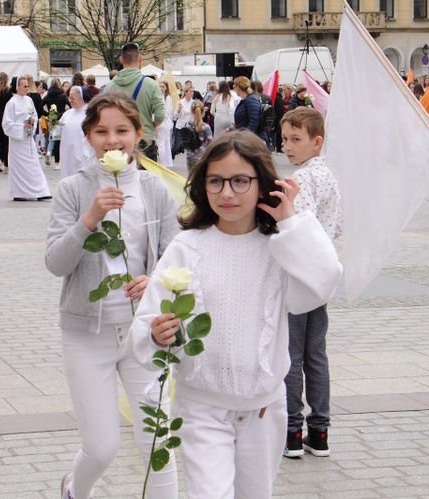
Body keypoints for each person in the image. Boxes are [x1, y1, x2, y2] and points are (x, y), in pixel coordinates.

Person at [126, 131, 342, 498]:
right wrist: (155, 333)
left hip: (263, 409)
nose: (227, 193)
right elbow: (146, 322)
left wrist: (291, 219)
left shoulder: (280, 247)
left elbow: (324, 281)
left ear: (263, 183)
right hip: (202, 405)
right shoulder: (188, 246)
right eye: (215, 181)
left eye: (240, 181)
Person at [46, 92, 180, 499]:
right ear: (88, 136)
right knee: (102, 448)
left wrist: (153, 280)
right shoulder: (73, 189)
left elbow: (177, 258)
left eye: (122, 130)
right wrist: (90, 218)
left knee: (157, 444)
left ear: (139, 134)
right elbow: (55, 263)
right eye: (101, 131)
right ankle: (75, 490)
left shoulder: (155, 190)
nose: (112, 139)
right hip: (88, 334)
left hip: (145, 333)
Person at [278, 107, 342, 460]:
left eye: (296, 139)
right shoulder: (328, 176)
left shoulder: (302, 180)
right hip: (321, 276)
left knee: (291, 354)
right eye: (285, 139)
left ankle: (291, 431)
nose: (288, 146)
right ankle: (320, 431)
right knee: (315, 353)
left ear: (316, 142)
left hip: (297, 277)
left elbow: (292, 225)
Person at [103, 42, 166, 161]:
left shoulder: (110, 87)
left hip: (118, 140)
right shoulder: (151, 85)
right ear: (140, 58)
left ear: (121, 60)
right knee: (145, 178)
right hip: (144, 138)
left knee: (121, 178)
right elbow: (160, 114)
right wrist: (153, 125)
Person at [2, 76, 52, 202]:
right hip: (18, 140)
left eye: (27, 86)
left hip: (28, 139)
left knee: (33, 164)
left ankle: (40, 190)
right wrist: (22, 126)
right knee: (19, 166)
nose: (27, 88)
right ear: (17, 87)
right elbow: (7, 124)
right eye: (24, 86)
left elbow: (34, 115)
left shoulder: (29, 100)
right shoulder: (11, 103)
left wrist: (32, 123)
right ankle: (19, 192)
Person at [58, 86, 92, 179]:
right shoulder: (68, 113)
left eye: (73, 98)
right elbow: (58, 129)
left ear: (82, 98)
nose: (70, 100)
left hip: (82, 152)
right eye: (69, 97)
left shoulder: (90, 114)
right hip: (67, 152)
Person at [43, 78, 71, 169]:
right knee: (58, 141)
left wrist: (47, 114)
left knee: (52, 138)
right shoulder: (63, 95)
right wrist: (64, 113)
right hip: (60, 119)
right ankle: (57, 162)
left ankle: (49, 152)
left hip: (51, 119)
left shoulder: (47, 96)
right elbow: (70, 105)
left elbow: (40, 105)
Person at [185, 100, 213, 172]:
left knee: (191, 178)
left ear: (191, 111)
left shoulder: (187, 124)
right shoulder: (205, 127)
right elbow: (210, 142)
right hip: (201, 157)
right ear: (203, 111)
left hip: (190, 156)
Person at [172, 86, 195, 158]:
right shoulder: (180, 102)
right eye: (190, 91)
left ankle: (190, 159)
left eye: (192, 91)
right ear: (185, 92)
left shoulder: (193, 102)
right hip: (180, 126)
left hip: (190, 127)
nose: (192, 93)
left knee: (190, 145)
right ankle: (171, 157)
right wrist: (179, 110)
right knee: (177, 145)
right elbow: (174, 116)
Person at [156, 80, 174, 168]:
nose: (161, 88)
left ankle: (165, 162)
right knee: (164, 142)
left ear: (166, 88)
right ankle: (167, 162)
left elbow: (168, 111)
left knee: (163, 143)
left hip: (163, 121)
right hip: (163, 121)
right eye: (160, 86)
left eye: (163, 86)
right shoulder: (158, 96)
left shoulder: (168, 97)